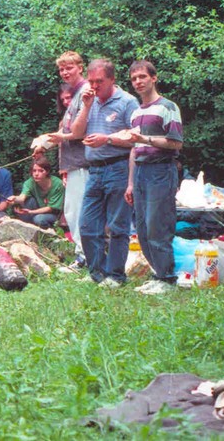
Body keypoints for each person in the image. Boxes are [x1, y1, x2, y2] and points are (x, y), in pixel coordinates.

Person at [70, 58, 139, 287]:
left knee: (118, 226)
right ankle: (98, 274)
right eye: (91, 81)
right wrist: (87, 106)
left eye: (100, 81)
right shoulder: (88, 99)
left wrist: (107, 139)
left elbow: (135, 137)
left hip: (119, 167)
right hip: (95, 171)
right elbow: (77, 133)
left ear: (112, 79)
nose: (95, 86)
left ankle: (116, 275)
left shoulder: (128, 102)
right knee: (88, 226)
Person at [123, 61, 183, 294]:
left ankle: (167, 278)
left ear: (154, 78)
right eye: (134, 79)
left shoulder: (167, 107)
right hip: (140, 171)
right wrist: (129, 182)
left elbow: (176, 142)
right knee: (142, 227)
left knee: (158, 225)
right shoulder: (137, 112)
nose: (138, 82)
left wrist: (146, 139)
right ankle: (158, 273)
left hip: (161, 169)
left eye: (142, 77)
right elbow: (133, 149)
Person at [42, 51, 91, 268]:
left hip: (82, 162)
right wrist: (44, 145)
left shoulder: (86, 91)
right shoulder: (73, 94)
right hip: (72, 164)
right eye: (61, 69)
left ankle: (85, 257)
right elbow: (64, 130)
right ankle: (85, 254)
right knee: (72, 211)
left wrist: (60, 137)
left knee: (78, 211)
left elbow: (79, 130)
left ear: (80, 67)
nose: (65, 72)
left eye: (69, 67)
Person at [13, 160, 65, 229]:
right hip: (37, 210)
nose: (36, 174)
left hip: (56, 215)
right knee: (29, 201)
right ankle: (27, 230)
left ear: (47, 171)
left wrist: (31, 212)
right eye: (34, 171)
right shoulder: (29, 182)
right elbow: (22, 198)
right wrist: (14, 199)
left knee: (38, 219)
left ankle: (51, 234)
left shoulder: (58, 184)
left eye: (41, 171)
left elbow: (51, 208)